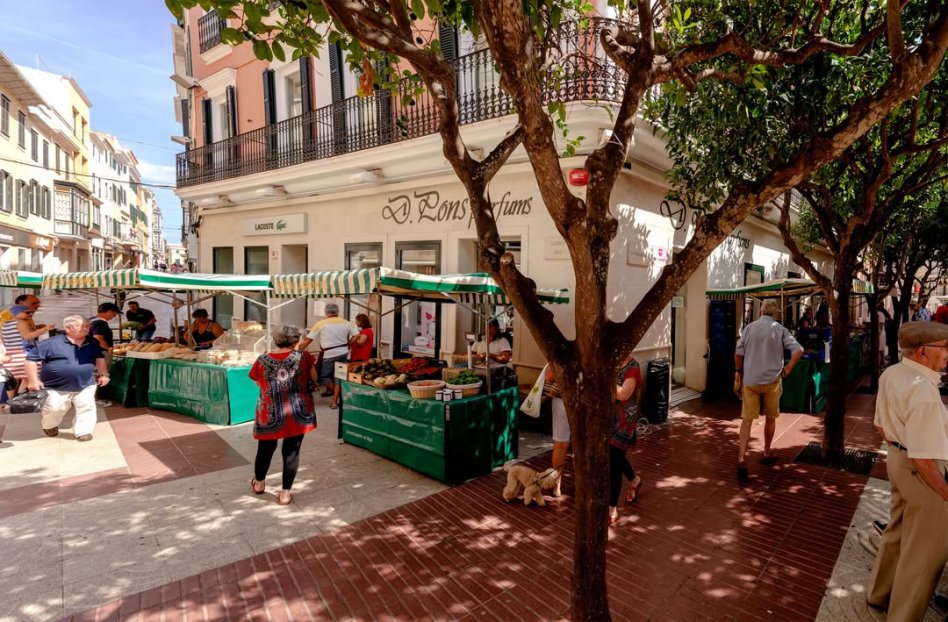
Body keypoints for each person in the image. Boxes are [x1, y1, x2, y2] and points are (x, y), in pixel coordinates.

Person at [866, 321, 948, 620]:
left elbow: (881, 427)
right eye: (944, 348)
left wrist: (900, 446)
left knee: (897, 530)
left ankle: (879, 593)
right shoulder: (922, 390)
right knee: (923, 553)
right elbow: (925, 459)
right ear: (923, 351)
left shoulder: (891, 373)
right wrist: (945, 493)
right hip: (921, 470)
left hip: (898, 462)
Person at [734, 299, 803, 483]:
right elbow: (798, 350)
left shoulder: (749, 328)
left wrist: (739, 371)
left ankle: (741, 457)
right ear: (775, 314)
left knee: (746, 420)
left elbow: (738, 353)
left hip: (751, 380)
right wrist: (787, 369)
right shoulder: (779, 329)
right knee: (771, 417)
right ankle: (766, 451)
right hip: (772, 381)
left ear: (761, 312)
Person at [249, 325, 318, 505]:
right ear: (296, 341)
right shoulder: (304, 357)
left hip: (269, 411)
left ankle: (259, 483)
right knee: (291, 452)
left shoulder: (262, 359)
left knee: (264, 449)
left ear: (276, 341)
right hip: (297, 411)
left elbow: (257, 382)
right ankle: (285, 494)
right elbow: (314, 378)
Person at [25, 316, 109, 442]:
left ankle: (84, 431)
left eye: (87, 326)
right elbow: (30, 359)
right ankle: (49, 425)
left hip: (86, 383)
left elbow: (99, 358)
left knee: (86, 407)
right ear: (67, 328)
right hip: (55, 386)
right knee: (55, 408)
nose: (85, 329)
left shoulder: (92, 342)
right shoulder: (50, 343)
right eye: (81, 326)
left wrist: (104, 374)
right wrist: (33, 380)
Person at [296, 302, 357, 410]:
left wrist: (297, 349)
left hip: (329, 354)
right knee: (339, 377)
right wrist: (348, 344)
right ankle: (334, 402)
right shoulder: (347, 323)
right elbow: (357, 335)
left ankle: (341, 397)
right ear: (338, 312)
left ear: (326, 312)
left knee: (323, 377)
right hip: (343, 352)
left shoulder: (321, 323)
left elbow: (308, 340)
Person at [609, 353, 643, 525]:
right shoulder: (612, 362)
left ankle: (612, 507)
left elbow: (623, 394)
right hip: (609, 417)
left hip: (625, 420)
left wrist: (605, 377)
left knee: (614, 459)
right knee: (615, 456)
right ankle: (634, 480)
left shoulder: (633, 367)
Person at [2, 304, 50, 396]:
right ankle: (22, 400)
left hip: (11, 355)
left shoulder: (5, 324)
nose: (30, 314)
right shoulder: (21, 323)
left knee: (13, 381)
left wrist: (36, 328)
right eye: (27, 312)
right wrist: (45, 329)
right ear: (17, 313)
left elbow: (5, 340)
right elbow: (27, 336)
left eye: (31, 312)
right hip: (24, 355)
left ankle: (10, 403)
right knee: (28, 378)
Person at [544, 364, 568, 497]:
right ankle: (556, 482)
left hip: (586, 399)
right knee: (560, 444)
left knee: (582, 446)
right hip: (561, 399)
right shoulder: (560, 349)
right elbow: (549, 376)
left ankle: (584, 483)